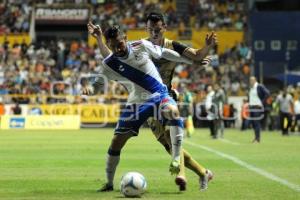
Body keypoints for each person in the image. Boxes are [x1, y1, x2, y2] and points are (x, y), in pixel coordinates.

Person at [85, 22, 192, 192]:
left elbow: (164, 52)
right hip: (136, 102)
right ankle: (109, 183)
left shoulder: (141, 45)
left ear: (125, 38)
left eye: (119, 44)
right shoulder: (109, 63)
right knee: (116, 142)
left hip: (158, 94)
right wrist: (90, 89)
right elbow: (97, 83)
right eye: (113, 47)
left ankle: (176, 159)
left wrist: (190, 60)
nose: (118, 49)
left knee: (173, 112)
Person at [144, 12, 216, 191]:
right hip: (146, 101)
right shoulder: (141, 47)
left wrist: (206, 47)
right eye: (151, 29)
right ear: (147, 29)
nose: (154, 33)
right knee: (169, 146)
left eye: (157, 29)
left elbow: (197, 55)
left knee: (171, 138)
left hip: (166, 97)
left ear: (164, 28)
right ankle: (203, 172)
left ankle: (181, 175)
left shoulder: (173, 46)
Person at [248, 76, 270, 143]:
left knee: (257, 123)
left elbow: (267, 93)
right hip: (251, 107)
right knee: (253, 123)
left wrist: (262, 102)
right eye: (250, 80)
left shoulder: (259, 86)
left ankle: (258, 139)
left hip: (257, 107)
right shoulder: (251, 88)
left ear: (255, 80)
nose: (250, 81)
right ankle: (255, 137)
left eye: (252, 80)